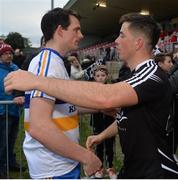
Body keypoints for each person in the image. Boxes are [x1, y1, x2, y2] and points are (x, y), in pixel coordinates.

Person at [4, 13, 178, 178]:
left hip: (155, 171)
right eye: (76, 29)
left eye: (122, 35)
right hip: (134, 168)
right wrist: (101, 135)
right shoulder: (137, 76)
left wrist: (36, 81)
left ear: (138, 43)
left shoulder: (151, 75)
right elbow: (129, 117)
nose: (116, 41)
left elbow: (107, 96)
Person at [5, 8, 102, 179]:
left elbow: (63, 106)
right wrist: (87, 157)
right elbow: (39, 127)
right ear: (59, 31)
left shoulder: (55, 61)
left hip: (61, 164)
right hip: (53, 168)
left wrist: (100, 108)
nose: (81, 35)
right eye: (76, 29)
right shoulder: (47, 63)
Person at [0, 43, 24, 178]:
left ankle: (11, 162)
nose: (9, 55)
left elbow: (21, 86)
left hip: (15, 110)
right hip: (3, 111)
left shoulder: (16, 68)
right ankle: (1, 167)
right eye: (5, 53)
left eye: (10, 53)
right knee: (3, 141)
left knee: (12, 139)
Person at [90, 65, 117, 179]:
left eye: (102, 75)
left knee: (110, 146)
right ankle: (99, 168)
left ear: (107, 76)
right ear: (94, 77)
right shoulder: (92, 90)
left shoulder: (111, 89)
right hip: (97, 122)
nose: (100, 78)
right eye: (98, 76)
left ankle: (110, 167)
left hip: (109, 122)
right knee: (99, 145)